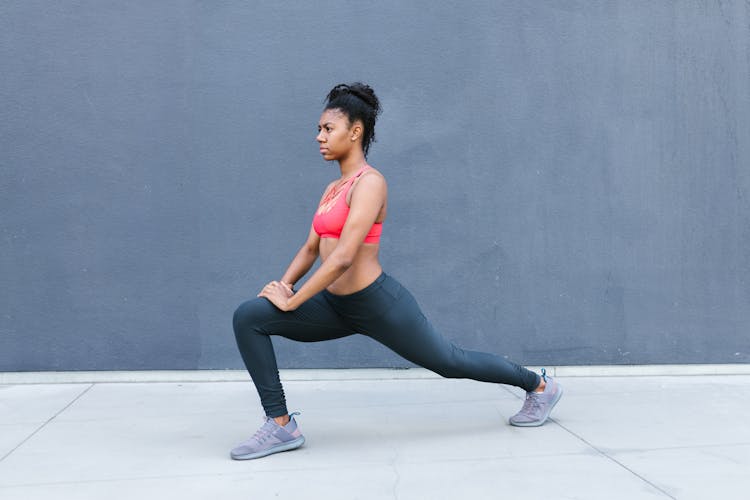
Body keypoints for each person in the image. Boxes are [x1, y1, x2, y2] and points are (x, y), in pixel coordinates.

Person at [230, 82, 563, 460]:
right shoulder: (332, 188)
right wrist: (283, 286)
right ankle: (280, 425)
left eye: (327, 129)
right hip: (333, 307)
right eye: (319, 129)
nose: (318, 137)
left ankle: (537, 385)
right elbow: (311, 248)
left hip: (377, 304)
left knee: (450, 362)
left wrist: (292, 304)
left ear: (355, 132)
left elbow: (341, 258)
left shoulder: (370, 183)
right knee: (250, 316)